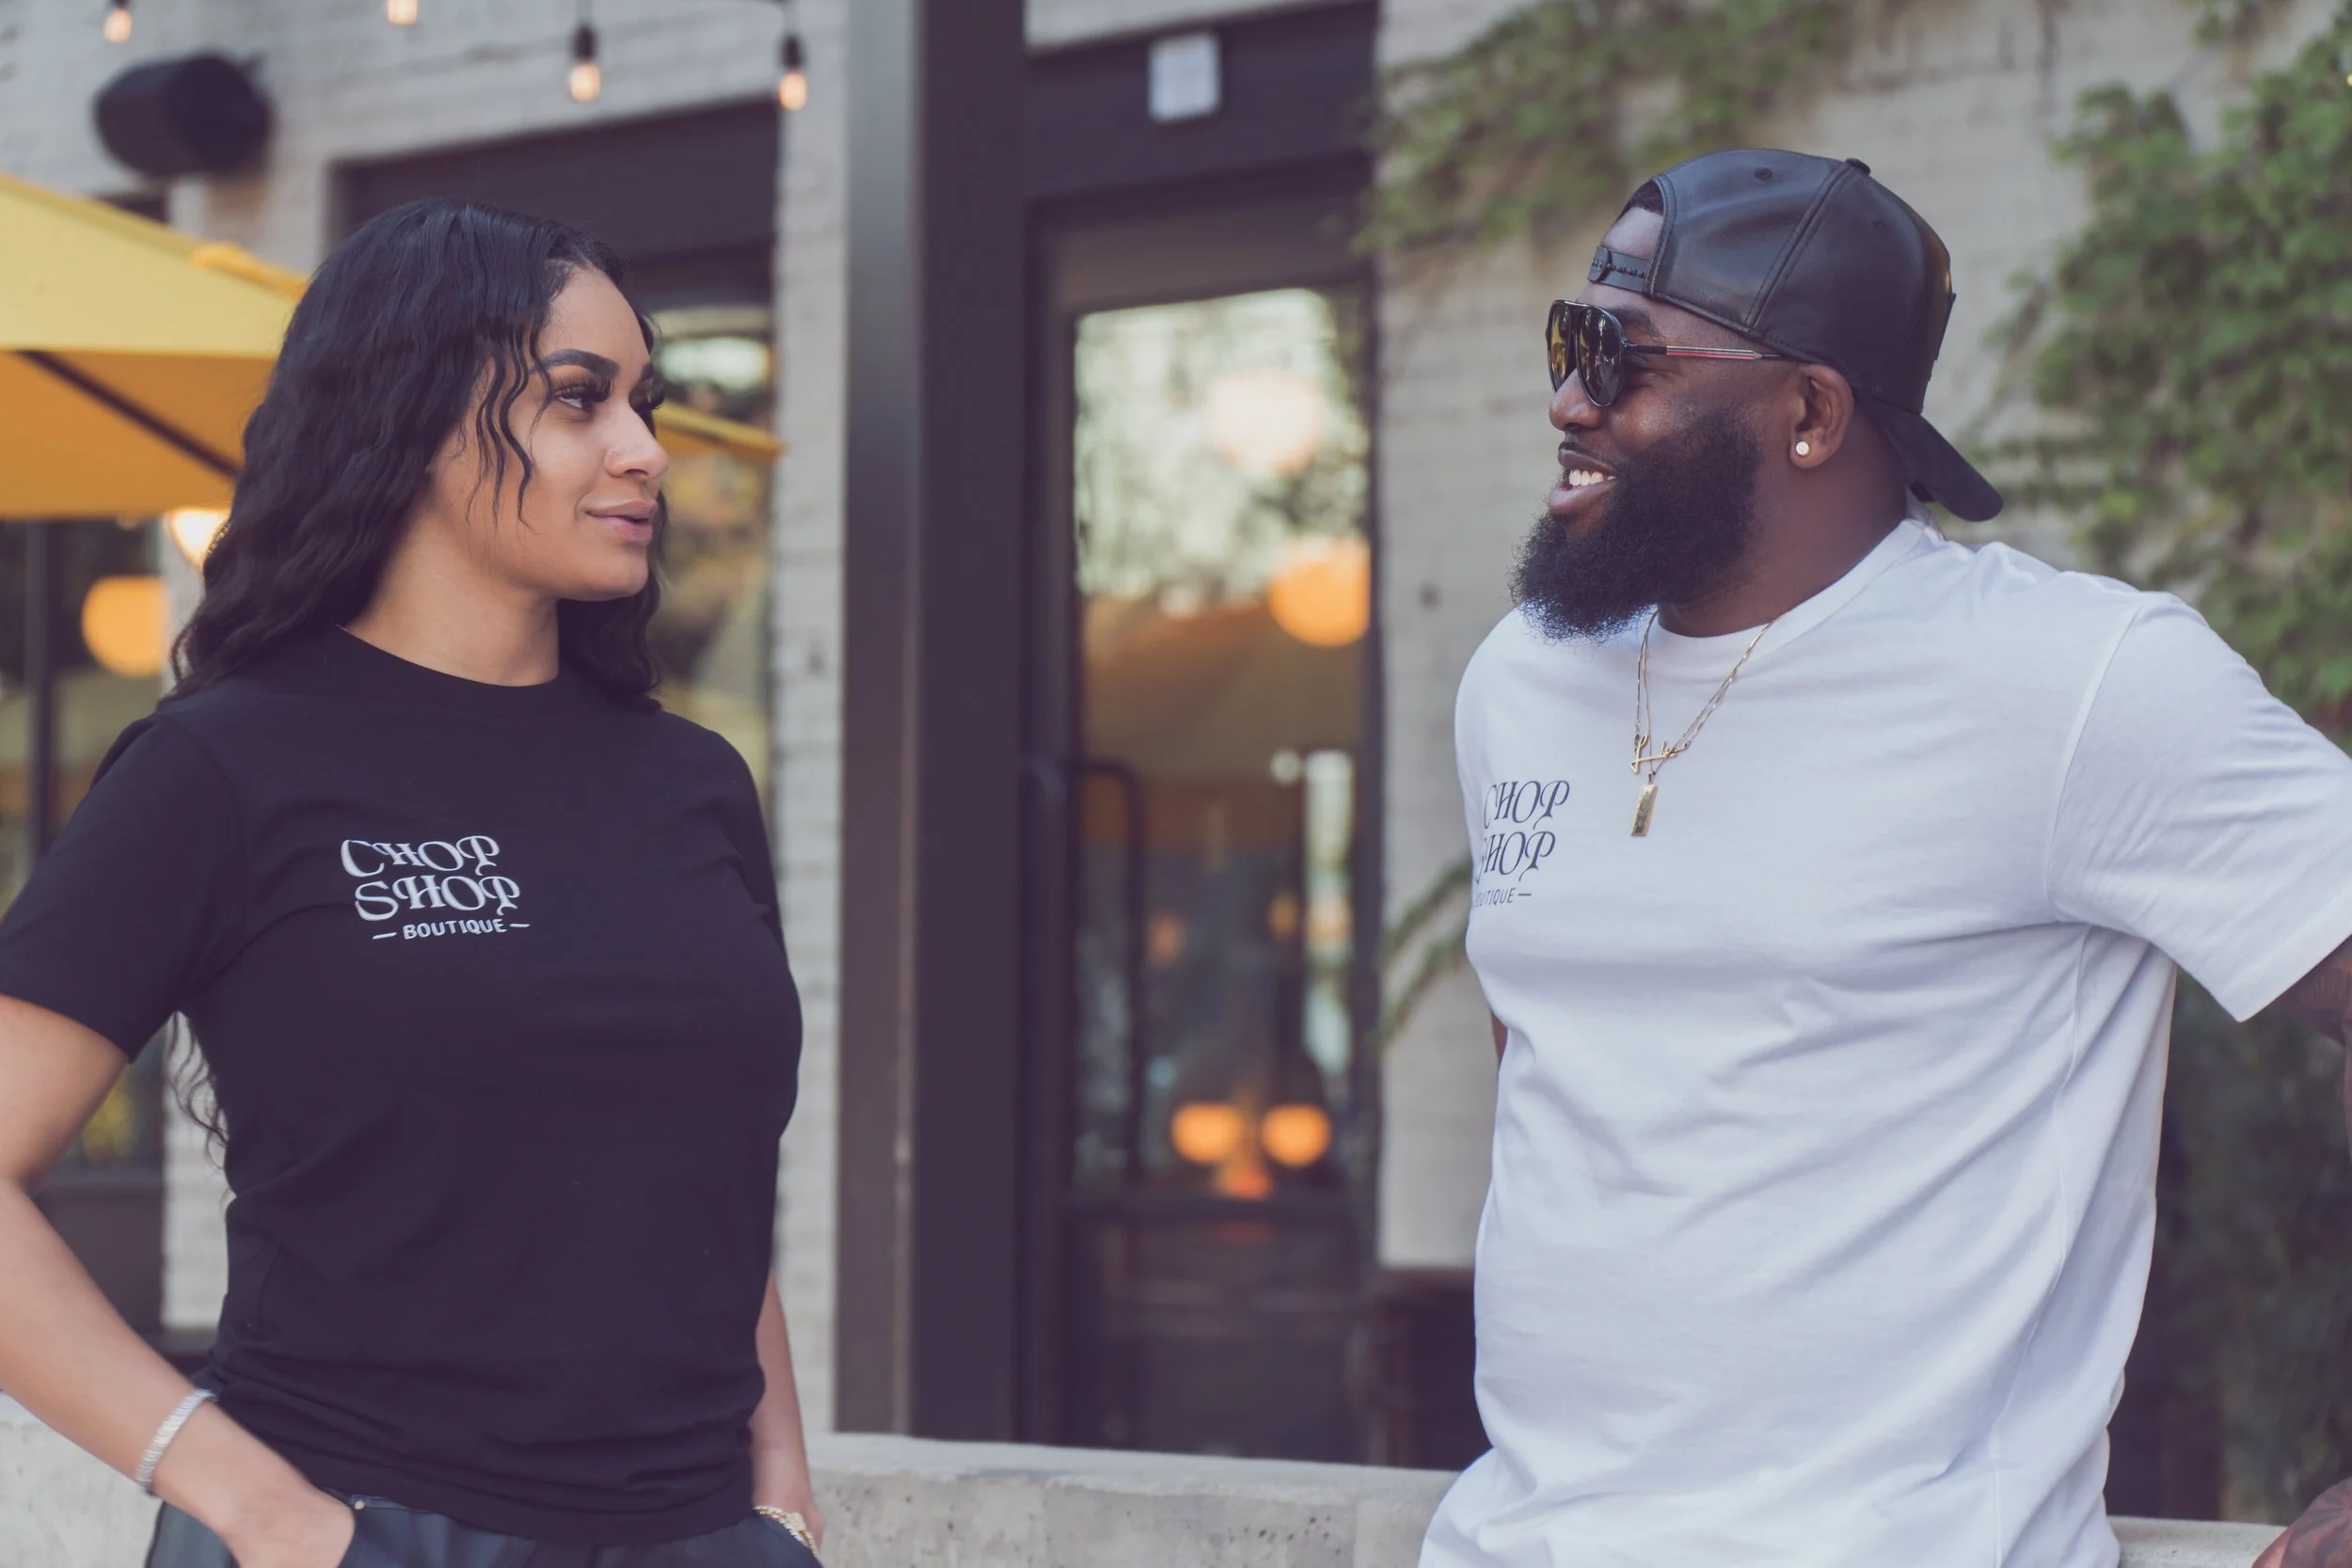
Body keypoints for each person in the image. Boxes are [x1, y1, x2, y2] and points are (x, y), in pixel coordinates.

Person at [1423, 147, 2352, 1568]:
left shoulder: (2077, 685)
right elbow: (1566, 1094)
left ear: (1809, 412)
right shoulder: (1522, 678)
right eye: (1570, 340)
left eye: (1624, 357)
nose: (1570, 400)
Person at [0, 200, 820, 1568]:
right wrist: (270, 1515)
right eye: (578, 400)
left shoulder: (693, 781)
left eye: (646, 402)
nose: (644, 451)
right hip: (371, 1525)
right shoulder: (223, 767)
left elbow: (694, 1160)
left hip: (696, 1534)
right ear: (414, 418)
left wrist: (780, 1498)